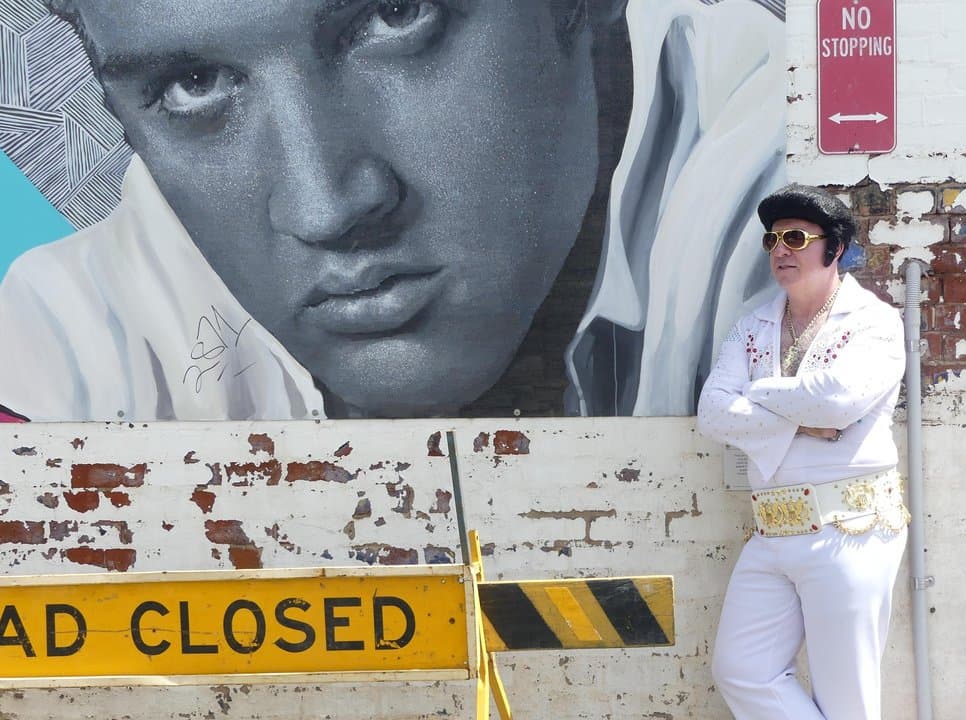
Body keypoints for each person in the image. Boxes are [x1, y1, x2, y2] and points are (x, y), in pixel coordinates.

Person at [0, 0, 786, 421]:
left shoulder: (794, 196)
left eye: (396, 16)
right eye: (194, 83)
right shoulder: (74, 338)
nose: (326, 207)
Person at [697, 183, 909, 720]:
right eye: (772, 239)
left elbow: (837, 401)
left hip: (851, 526)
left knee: (847, 694)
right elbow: (713, 412)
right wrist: (800, 420)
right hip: (771, 529)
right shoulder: (754, 325)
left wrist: (759, 393)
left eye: (795, 237)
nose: (780, 250)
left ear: (834, 249)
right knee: (742, 669)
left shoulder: (873, 320)